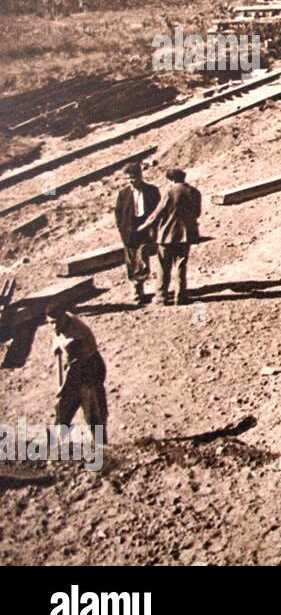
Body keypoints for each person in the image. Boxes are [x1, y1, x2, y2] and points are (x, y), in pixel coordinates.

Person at [140, 168, 202, 306]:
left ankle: (161, 298)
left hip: (167, 236)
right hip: (185, 236)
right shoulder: (195, 192)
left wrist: (144, 225)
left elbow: (158, 213)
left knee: (163, 266)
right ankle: (180, 297)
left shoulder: (169, 192)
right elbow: (197, 213)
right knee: (180, 266)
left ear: (171, 180)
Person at [48, 305, 109, 444]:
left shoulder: (75, 339)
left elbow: (72, 371)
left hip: (89, 371)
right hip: (77, 368)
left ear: (63, 317)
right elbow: (57, 333)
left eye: (56, 321)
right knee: (62, 412)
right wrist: (56, 345)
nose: (53, 325)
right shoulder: (63, 320)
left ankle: (102, 448)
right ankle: (60, 447)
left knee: (93, 414)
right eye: (50, 322)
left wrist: (62, 390)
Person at [114, 163, 160, 305]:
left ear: (140, 176)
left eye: (133, 178)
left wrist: (153, 230)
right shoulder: (123, 194)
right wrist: (122, 230)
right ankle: (137, 291)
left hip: (145, 232)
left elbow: (157, 212)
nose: (131, 181)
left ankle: (139, 287)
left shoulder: (152, 191)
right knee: (131, 261)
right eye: (128, 179)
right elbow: (119, 213)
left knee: (142, 260)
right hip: (129, 233)